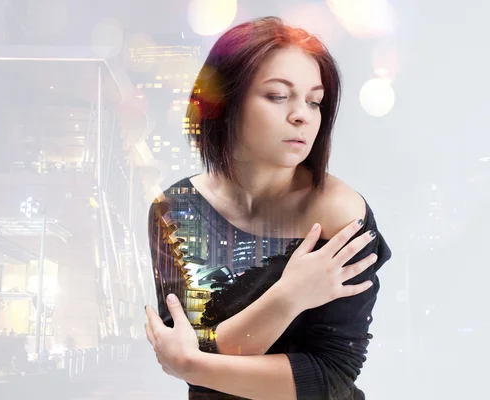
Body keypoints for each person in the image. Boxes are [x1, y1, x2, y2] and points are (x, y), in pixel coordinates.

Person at [145, 16, 392, 400]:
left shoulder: (339, 214)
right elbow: (191, 348)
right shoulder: (176, 211)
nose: (303, 115)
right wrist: (289, 296)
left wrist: (194, 364)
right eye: (278, 96)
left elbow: (330, 376)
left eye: (314, 101)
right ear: (223, 103)